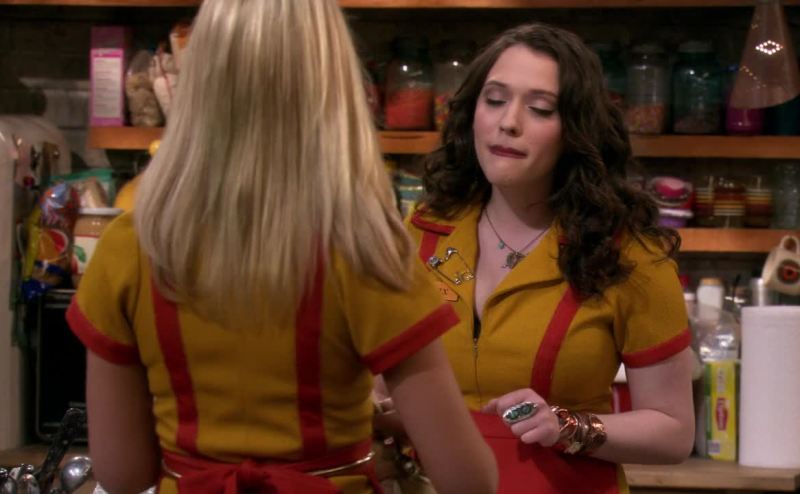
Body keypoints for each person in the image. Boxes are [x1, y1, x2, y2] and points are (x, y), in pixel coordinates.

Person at [65, 1, 497, 493]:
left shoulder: (129, 248)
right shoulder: (364, 248)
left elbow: (122, 474)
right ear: (332, 86)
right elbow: (468, 481)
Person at [401, 22, 694, 493]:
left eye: (539, 109)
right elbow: (382, 388)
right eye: (494, 100)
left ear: (575, 131)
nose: (508, 122)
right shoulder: (421, 232)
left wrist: (567, 427)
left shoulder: (629, 255)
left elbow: (674, 432)